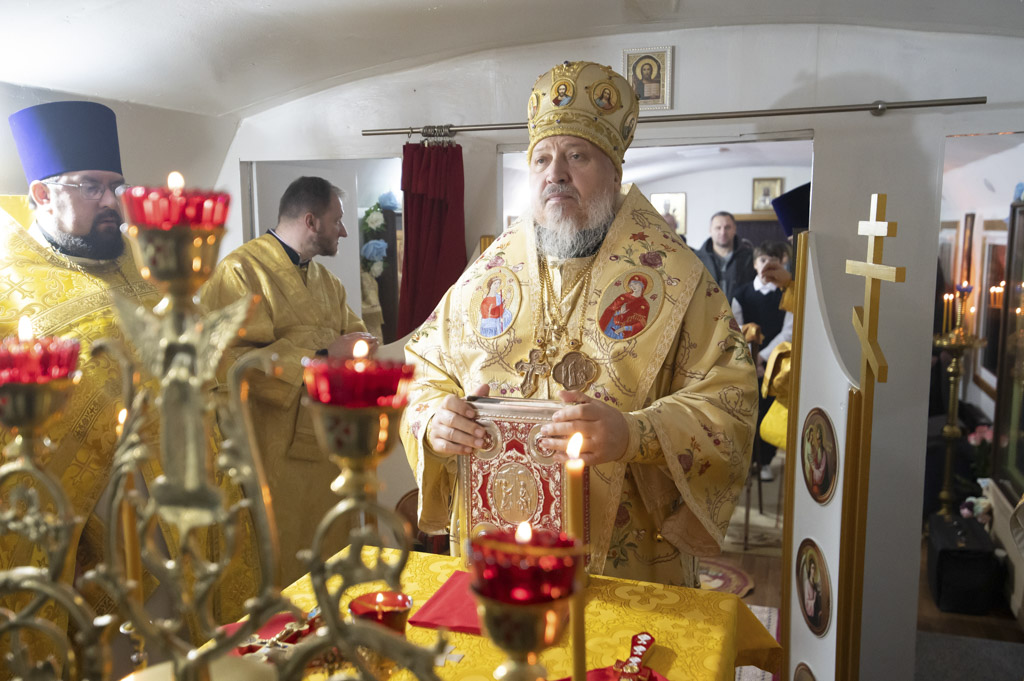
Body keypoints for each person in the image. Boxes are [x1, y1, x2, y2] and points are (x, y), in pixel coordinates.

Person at [400, 61, 757, 587]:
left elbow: (729, 402)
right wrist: (434, 419)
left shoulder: (677, 277)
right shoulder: (486, 275)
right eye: (542, 158)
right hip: (499, 546)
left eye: (577, 156)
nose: (556, 173)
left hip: (627, 555)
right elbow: (421, 374)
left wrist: (635, 433)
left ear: (614, 174)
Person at [201, 176, 377, 585]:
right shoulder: (240, 271)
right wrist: (321, 356)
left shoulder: (328, 283)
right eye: (338, 221)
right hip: (271, 451)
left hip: (328, 445)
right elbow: (227, 361)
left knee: (333, 550)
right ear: (311, 221)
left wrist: (358, 348)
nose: (344, 232)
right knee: (280, 560)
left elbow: (352, 336)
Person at [731, 241, 794, 480]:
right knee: (747, 409)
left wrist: (763, 356)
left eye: (773, 261)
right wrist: (750, 356)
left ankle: (766, 460)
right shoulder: (741, 293)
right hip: (746, 361)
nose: (767, 266)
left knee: (768, 409)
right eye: (763, 260)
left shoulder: (787, 294)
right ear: (755, 264)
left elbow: (788, 331)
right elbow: (735, 327)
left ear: (782, 263)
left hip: (775, 362)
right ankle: (746, 461)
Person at [695, 210, 755, 303]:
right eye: (718, 228)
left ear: (734, 229)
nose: (723, 232)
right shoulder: (697, 259)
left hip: (741, 311)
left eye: (727, 227)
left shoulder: (750, 258)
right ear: (710, 230)